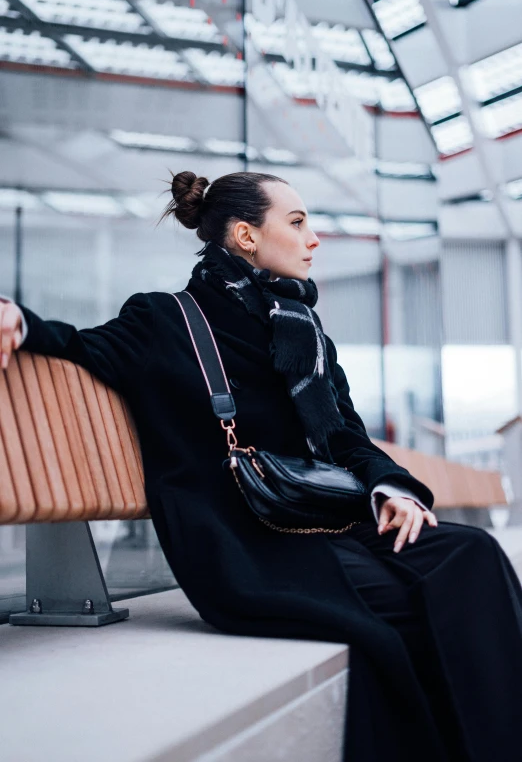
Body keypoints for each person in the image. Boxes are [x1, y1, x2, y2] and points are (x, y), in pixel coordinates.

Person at [1, 170, 522, 762]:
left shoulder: (303, 329)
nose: (313, 238)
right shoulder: (166, 320)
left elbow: (346, 436)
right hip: (248, 546)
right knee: (413, 609)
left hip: (326, 522)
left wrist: (392, 488)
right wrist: (16, 320)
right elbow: (82, 346)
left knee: (471, 555)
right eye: (297, 223)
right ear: (246, 236)